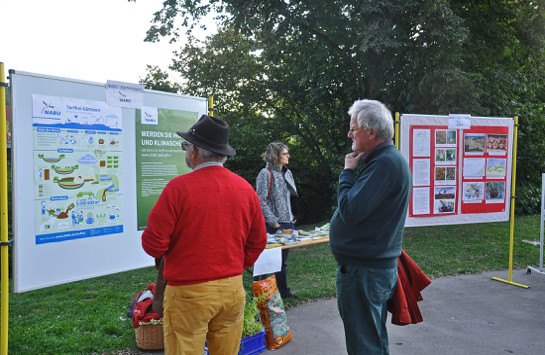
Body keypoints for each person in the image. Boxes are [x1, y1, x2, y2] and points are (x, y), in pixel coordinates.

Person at [141, 114, 267, 355]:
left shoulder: (177, 188)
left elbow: (153, 246)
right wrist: (237, 265)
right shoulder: (244, 188)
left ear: (195, 152)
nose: (185, 151)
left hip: (188, 292)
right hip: (231, 288)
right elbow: (258, 240)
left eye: (185, 146)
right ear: (222, 154)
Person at [329, 99, 412, 354]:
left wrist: (347, 173)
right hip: (368, 269)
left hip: (365, 271)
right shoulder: (383, 160)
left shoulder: (384, 163)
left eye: (353, 128)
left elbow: (351, 211)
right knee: (371, 341)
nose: (349, 134)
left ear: (371, 132)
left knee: (365, 346)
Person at [255, 142, 299, 299]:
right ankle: (261, 296)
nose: (288, 156)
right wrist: (274, 223)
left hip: (288, 223)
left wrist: (293, 218)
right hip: (274, 224)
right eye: (284, 154)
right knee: (266, 262)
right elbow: (260, 201)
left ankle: (284, 292)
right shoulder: (265, 174)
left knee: (283, 261)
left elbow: (292, 197)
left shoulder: (287, 173)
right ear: (275, 156)